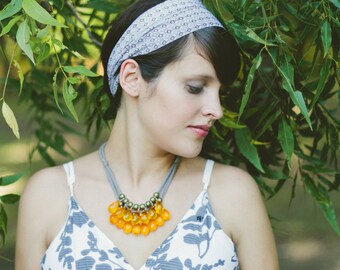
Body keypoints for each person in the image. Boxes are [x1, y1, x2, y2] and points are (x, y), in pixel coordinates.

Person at [16, 0, 279, 269]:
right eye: (196, 87)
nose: (217, 110)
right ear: (132, 78)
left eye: (219, 93)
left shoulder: (233, 194)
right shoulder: (49, 195)